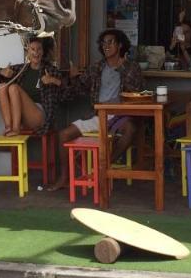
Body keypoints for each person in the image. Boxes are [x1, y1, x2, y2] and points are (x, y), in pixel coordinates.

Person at [45, 28, 145, 191]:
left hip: (121, 116)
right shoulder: (97, 68)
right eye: (103, 43)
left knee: (131, 129)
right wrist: (65, 80)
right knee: (63, 135)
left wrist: (122, 68)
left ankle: (103, 168)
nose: (106, 46)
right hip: (99, 114)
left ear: (120, 45)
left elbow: (137, 89)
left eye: (110, 42)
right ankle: (64, 178)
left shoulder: (131, 67)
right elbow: (78, 88)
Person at [0, 36, 62, 136]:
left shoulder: (50, 70)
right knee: (2, 86)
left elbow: (66, 87)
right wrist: (1, 72)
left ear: (43, 51)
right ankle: (8, 127)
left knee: (14, 88)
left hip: (39, 116)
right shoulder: (21, 69)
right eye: (33, 49)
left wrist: (52, 80)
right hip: (22, 116)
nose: (36, 52)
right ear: (28, 52)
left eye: (39, 49)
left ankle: (16, 128)